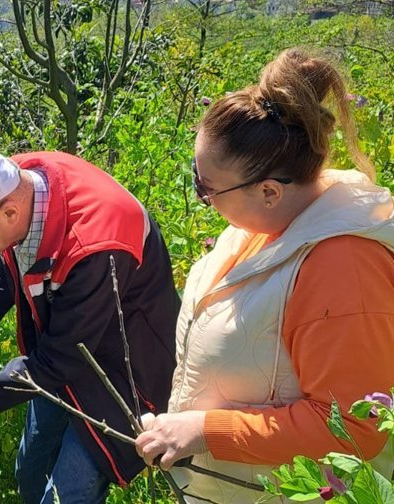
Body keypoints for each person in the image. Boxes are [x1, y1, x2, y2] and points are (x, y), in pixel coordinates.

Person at [134, 48, 394, 503]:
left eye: (206, 188)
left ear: (270, 191)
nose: (203, 198)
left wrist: (202, 429)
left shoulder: (343, 265)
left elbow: (355, 429)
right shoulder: (264, 229)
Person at [0, 143, 180, 503]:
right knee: (30, 473)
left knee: (67, 494)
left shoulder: (97, 245)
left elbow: (60, 361)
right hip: (63, 354)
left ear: (8, 212)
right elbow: (9, 259)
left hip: (120, 377)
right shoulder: (19, 182)